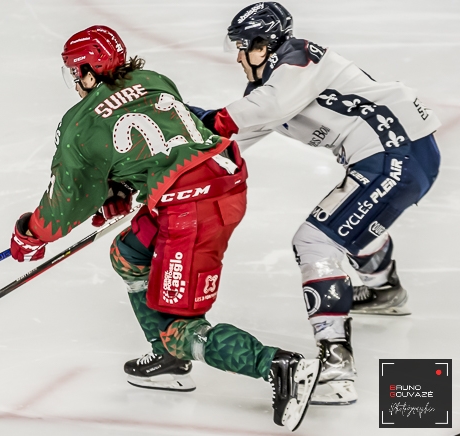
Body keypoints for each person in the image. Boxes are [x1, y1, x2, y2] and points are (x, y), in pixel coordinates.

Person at [9, 25, 321, 432]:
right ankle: (168, 362)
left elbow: (65, 205)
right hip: (213, 179)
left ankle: (280, 366)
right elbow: (159, 140)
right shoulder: (152, 80)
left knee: (181, 327)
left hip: (192, 206)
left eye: (75, 72)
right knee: (129, 255)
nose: (75, 82)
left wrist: (30, 235)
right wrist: (119, 188)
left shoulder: (81, 124)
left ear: (88, 70)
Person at [189, 2, 441, 405]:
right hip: (398, 153)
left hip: (396, 153)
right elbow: (231, 142)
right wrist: (183, 146)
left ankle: (337, 367)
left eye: (243, 47)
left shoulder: (298, 59)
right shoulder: (272, 84)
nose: (238, 57)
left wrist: (198, 119)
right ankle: (385, 290)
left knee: (316, 242)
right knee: (346, 225)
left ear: (265, 44)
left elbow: (257, 113)